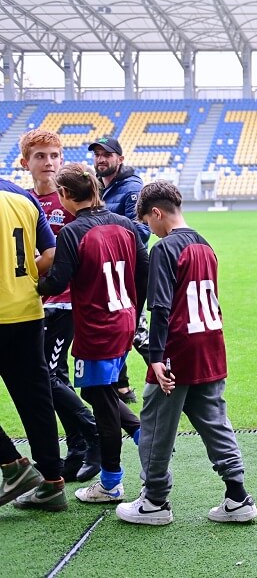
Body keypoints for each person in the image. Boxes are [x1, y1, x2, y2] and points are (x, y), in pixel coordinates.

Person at [116, 181, 257, 525]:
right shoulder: (205, 245)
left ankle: (154, 503)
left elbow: (161, 307)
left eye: (149, 223)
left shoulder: (165, 249)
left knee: (155, 424)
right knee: (213, 419)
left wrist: (156, 357)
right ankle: (238, 497)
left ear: (156, 212)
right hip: (210, 342)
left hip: (178, 347)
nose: (150, 230)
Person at [37, 163, 148, 505]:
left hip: (98, 327)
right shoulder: (125, 225)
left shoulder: (73, 232)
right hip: (123, 320)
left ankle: (112, 482)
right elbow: (144, 273)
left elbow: (57, 282)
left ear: (66, 195)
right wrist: (132, 311)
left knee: (100, 402)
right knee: (100, 392)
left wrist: (28, 283)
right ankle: (145, 436)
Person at [22, 129, 102, 483]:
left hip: (67, 301)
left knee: (47, 375)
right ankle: (78, 449)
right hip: (34, 303)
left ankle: (92, 433)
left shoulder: (69, 200)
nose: (49, 163)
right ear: (26, 162)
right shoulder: (21, 201)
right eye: (41, 156)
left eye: (54, 155)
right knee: (56, 376)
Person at [0, 177, 66, 512]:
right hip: (27, 311)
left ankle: (13, 466)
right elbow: (51, 253)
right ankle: (53, 483)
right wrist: (22, 279)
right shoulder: (21, 195)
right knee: (36, 397)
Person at [89, 136, 150, 404]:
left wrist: (104, 229)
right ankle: (122, 387)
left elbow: (143, 231)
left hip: (132, 269)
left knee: (135, 329)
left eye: (108, 154)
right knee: (114, 325)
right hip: (108, 268)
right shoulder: (96, 187)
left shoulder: (132, 188)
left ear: (120, 159)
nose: (101, 159)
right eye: (98, 155)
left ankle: (172, 372)